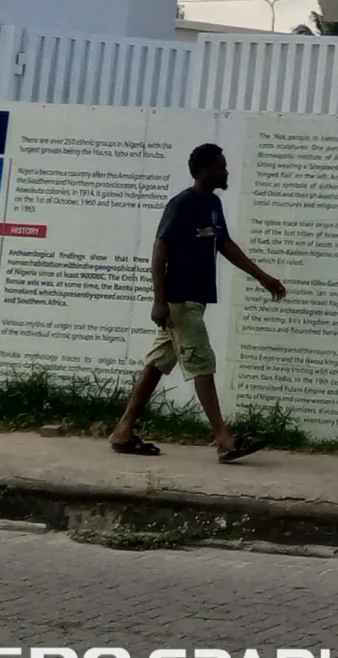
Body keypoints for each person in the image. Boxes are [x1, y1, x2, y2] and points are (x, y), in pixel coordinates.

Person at [108, 143, 285, 461]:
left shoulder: (213, 204)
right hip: (180, 301)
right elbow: (159, 250)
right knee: (202, 364)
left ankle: (123, 430)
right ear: (204, 171)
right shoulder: (182, 204)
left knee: (157, 364)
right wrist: (159, 301)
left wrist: (263, 277)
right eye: (220, 166)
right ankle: (224, 439)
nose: (226, 171)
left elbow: (225, 244)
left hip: (192, 301)